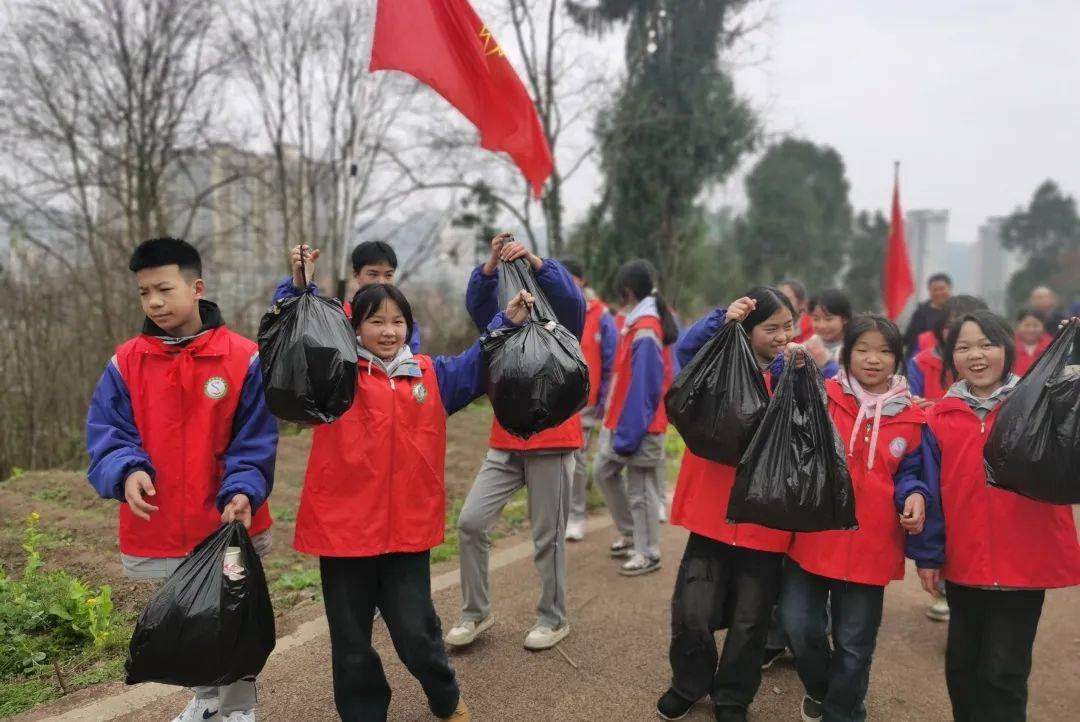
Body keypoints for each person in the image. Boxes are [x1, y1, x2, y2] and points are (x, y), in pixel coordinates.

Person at [276, 251, 538, 722]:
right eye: (377, 321)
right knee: (352, 643)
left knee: (417, 632)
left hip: (406, 535)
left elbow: (479, 359)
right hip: (343, 535)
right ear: (355, 327)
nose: (389, 331)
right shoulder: (334, 374)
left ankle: (446, 697)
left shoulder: (431, 376)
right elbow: (295, 335)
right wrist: (297, 289)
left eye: (398, 321)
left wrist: (508, 319)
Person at [87, 238, 278, 722]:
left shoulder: (243, 358)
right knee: (187, 615)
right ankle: (206, 699)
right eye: (144, 292)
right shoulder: (126, 361)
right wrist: (125, 470)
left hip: (227, 518)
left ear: (196, 288)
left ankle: (238, 707)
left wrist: (243, 488)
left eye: (164, 289)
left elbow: (254, 440)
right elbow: (108, 432)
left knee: (233, 612)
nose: (153, 301)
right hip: (163, 519)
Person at [908, 310, 1080, 722]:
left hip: (1024, 565)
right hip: (965, 563)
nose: (976, 354)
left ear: (1009, 349)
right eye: (964, 347)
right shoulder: (938, 417)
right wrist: (929, 556)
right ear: (951, 358)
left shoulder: (1042, 407)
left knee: (1004, 672)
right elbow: (929, 490)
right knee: (962, 669)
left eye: (987, 343)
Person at [656, 287, 798, 722]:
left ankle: (733, 697)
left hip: (766, 517)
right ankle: (689, 682)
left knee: (752, 618)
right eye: (771, 328)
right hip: (713, 513)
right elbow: (686, 350)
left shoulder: (797, 372)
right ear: (749, 330)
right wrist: (723, 319)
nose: (781, 336)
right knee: (693, 609)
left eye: (788, 327)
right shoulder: (721, 365)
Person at [781, 315, 932, 722]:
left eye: (884, 351)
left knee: (854, 643)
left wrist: (916, 495)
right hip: (812, 535)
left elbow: (912, 474)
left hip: (872, 544)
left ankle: (843, 711)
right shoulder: (822, 396)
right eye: (862, 349)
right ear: (847, 352)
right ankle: (821, 689)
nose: (873, 359)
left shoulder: (914, 418)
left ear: (897, 359)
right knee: (799, 626)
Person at [444, 233, 586, 652]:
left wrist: (537, 262)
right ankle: (475, 611)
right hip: (504, 442)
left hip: (553, 442)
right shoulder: (504, 319)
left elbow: (573, 300)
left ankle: (552, 618)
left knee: (548, 537)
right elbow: (477, 305)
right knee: (470, 523)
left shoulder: (563, 320)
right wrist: (490, 266)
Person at [593, 260, 677, 576]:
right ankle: (632, 534)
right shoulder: (640, 324)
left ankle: (648, 552)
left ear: (628, 291)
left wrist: (629, 435)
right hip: (627, 423)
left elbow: (644, 387)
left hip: (640, 426)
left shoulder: (645, 329)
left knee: (641, 491)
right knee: (604, 471)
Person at [273, 240, 422, 352]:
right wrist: (299, 285)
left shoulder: (405, 323)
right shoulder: (337, 316)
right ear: (356, 275)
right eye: (373, 274)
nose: (381, 281)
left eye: (388, 275)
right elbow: (293, 326)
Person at [559, 258, 617, 542]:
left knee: (577, 458)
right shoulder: (548, 309)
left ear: (581, 280)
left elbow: (610, 359)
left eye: (569, 278)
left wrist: (605, 398)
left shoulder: (600, 314)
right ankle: (556, 513)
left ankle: (576, 515)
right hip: (554, 400)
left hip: (586, 401)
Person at [908, 295, 987, 407]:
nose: (956, 332)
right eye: (950, 326)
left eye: (965, 326)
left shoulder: (992, 363)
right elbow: (910, 405)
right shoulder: (920, 363)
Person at [903, 273, 953, 358]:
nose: (938, 293)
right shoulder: (920, 312)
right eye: (935, 290)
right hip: (922, 359)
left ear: (950, 288)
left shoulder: (957, 311)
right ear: (929, 291)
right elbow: (910, 337)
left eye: (942, 289)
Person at [808, 289, 853, 366]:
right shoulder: (809, 346)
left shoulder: (853, 346)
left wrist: (826, 364)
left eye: (828, 319)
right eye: (816, 319)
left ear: (845, 318)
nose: (822, 326)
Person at [1013, 307, 1052, 376]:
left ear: (1043, 326)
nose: (1031, 330)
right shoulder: (1009, 345)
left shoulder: (1052, 345)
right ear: (1018, 325)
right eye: (1027, 325)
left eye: (1035, 326)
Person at [779, 279, 814, 343]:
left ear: (801, 303)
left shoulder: (813, 328)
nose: (780, 303)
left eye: (786, 299)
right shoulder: (771, 327)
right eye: (777, 298)